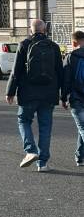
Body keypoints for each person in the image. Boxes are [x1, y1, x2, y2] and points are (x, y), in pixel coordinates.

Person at [6, 19, 63, 172]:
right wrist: (64, 95)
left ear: (31, 31)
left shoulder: (24, 45)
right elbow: (60, 72)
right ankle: (43, 163)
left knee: (23, 120)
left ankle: (30, 150)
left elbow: (16, 71)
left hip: (28, 93)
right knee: (45, 127)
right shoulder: (54, 47)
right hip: (49, 95)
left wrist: (10, 92)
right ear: (45, 30)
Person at [61, 31, 84, 167]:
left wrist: (63, 98)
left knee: (82, 127)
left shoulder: (70, 57)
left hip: (76, 99)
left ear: (74, 43)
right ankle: (79, 156)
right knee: (81, 128)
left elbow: (66, 81)